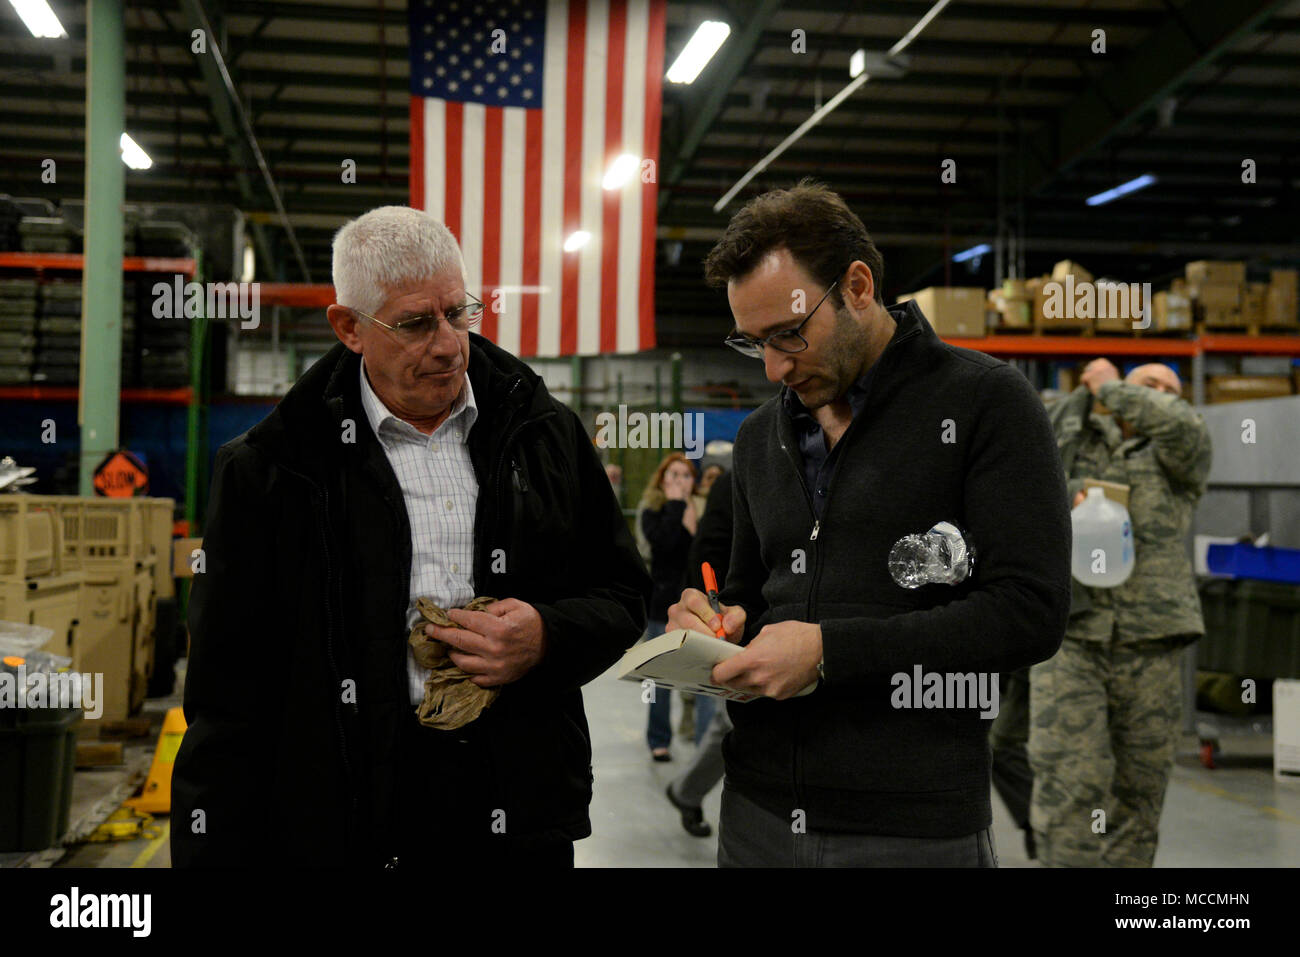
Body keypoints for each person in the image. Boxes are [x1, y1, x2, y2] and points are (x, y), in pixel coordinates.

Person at [170, 206, 650, 868]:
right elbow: (228, 697)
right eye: (416, 323)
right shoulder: (276, 469)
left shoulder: (542, 432)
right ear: (350, 328)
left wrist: (547, 634)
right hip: (347, 822)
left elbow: (624, 592)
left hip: (517, 813)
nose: (451, 343)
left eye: (459, 312)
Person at [665, 180, 1071, 867]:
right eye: (753, 342)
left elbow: (1029, 611)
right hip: (757, 812)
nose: (774, 366)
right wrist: (715, 619)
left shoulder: (985, 404)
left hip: (912, 825)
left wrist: (830, 650)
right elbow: (746, 588)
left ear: (857, 286)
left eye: (790, 333)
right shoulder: (763, 435)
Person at [1029, 359, 1212, 867]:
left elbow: (1178, 423)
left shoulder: (1179, 454)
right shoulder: (1068, 435)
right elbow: (1024, 485)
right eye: (1149, 385)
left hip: (1150, 642)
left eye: (1171, 389)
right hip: (1071, 639)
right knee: (1070, 784)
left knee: (1139, 793)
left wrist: (1111, 385)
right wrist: (1070, 495)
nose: (1162, 396)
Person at [665, 459, 735, 838]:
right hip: (733, 624)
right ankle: (687, 790)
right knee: (729, 719)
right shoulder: (737, 482)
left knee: (726, 721)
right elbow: (705, 555)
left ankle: (686, 790)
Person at [637, 452, 715, 761]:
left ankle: (704, 745)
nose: (679, 480)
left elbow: (709, 550)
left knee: (705, 679)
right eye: (673, 475)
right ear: (662, 480)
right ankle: (658, 738)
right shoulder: (652, 510)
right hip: (663, 604)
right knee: (659, 681)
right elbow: (663, 545)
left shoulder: (706, 508)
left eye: (685, 475)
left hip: (701, 607)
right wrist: (675, 505)